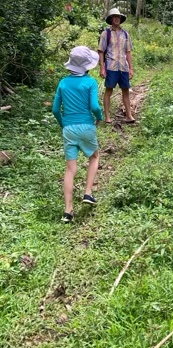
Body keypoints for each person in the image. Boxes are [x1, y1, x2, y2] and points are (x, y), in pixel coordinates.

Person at [52, 46, 103, 223]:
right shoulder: (90, 83)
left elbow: (55, 109)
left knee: (70, 169)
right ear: (87, 66)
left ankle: (67, 211)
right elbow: (95, 107)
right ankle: (88, 193)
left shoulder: (63, 83)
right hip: (86, 126)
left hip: (69, 129)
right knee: (94, 157)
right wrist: (99, 117)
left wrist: (63, 124)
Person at [98, 7, 134, 124]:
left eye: (118, 17)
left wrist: (130, 68)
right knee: (109, 90)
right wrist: (102, 68)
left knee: (125, 90)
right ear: (110, 19)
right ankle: (107, 117)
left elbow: (128, 52)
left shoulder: (125, 34)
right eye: (114, 17)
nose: (116, 19)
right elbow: (101, 51)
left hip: (123, 66)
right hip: (111, 66)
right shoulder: (106, 34)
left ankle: (129, 115)